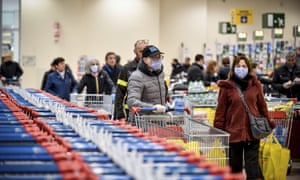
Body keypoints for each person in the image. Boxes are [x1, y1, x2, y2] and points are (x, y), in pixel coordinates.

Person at [214, 55, 275, 179]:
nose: (241, 69)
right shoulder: (226, 87)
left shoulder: (255, 85)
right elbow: (220, 111)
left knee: (252, 168)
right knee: (235, 168)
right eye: (238, 66)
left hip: (252, 132)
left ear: (248, 68)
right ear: (233, 68)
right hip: (233, 133)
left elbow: (262, 106)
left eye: (244, 66)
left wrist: (268, 122)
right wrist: (218, 131)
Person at [127, 45, 167, 116]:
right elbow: (132, 101)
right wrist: (152, 108)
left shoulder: (160, 75)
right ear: (145, 60)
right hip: (142, 122)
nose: (157, 60)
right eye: (154, 58)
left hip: (159, 121)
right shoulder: (137, 77)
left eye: (159, 57)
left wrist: (166, 109)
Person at [115, 39, 149, 122]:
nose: (144, 54)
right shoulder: (127, 69)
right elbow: (119, 94)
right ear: (135, 51)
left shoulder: (155, 68)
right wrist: (120, 115)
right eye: (141, 51)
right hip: (131, 114)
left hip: (150, 114)